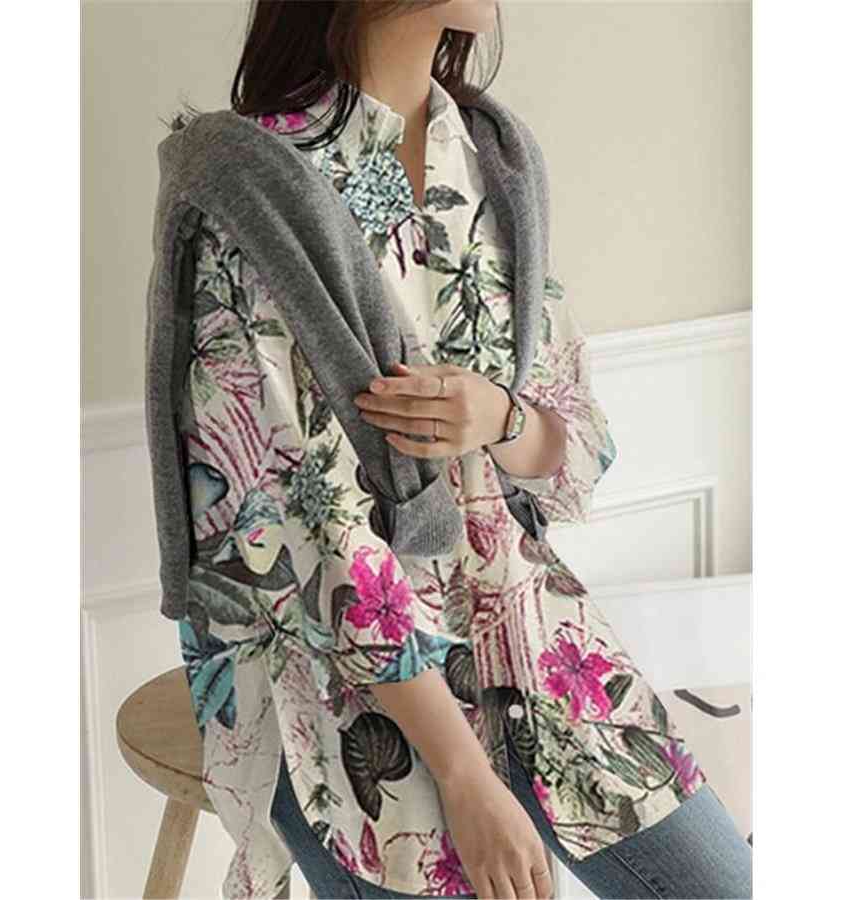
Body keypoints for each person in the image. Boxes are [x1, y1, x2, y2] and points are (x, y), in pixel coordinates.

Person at [152, 2, 752, 898]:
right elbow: (299, 530)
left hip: (521, 618)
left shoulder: (491, 157)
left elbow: (577, 438)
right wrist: (465, 774)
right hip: (339, 671)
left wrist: (498, 417)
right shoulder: (252, 187)